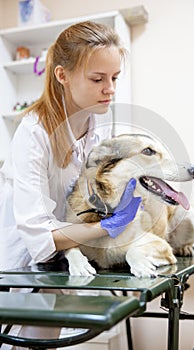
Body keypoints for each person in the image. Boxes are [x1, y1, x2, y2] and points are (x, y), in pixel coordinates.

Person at [0, 21, 141, 346]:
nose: (110, 88)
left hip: (64, 256)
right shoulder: (33, 134)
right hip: (21, 263)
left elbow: (90, 198)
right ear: (62, 75)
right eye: (97, 79)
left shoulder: (100, 128)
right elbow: (38, 234)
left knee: (47, 338)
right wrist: (108, 227)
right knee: (24, 339)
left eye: (114, 78)